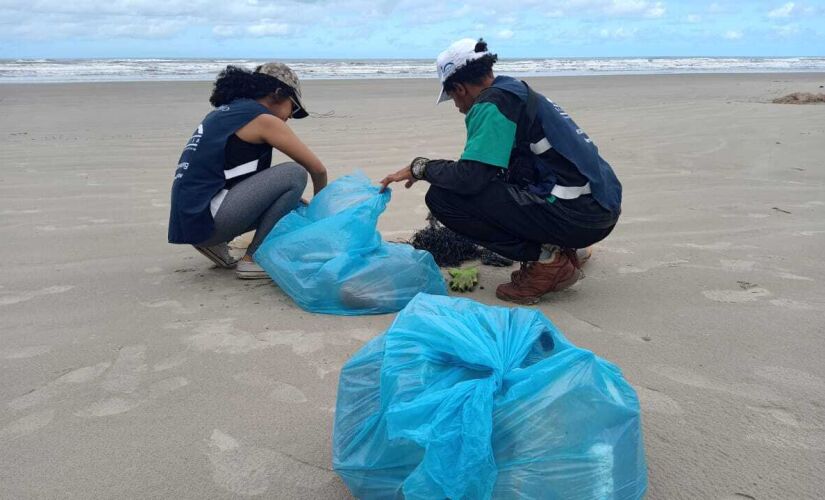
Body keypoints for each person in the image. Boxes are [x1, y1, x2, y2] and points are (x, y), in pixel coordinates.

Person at [380, 38, 622, 304]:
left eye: (452, 98)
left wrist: (421, 168)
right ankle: (567, 247)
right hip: (600, 207)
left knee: (442, 197)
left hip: (578, 215)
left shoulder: (492, 103)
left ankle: (548, 262)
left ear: (459, 88)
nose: (458, 108)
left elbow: (470, 179)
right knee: (499, 179)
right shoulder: (515, 90)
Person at [168, 63, 328, 279]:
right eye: (294, 107)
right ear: (278, 94)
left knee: (296, 204)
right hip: (209, 217)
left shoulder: (224, 114)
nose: (290, 117)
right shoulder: (262, 119)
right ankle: (254, 259)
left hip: (190, 217)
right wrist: (320, 216)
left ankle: (215, 245)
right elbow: (317, 170)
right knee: (294, 173)